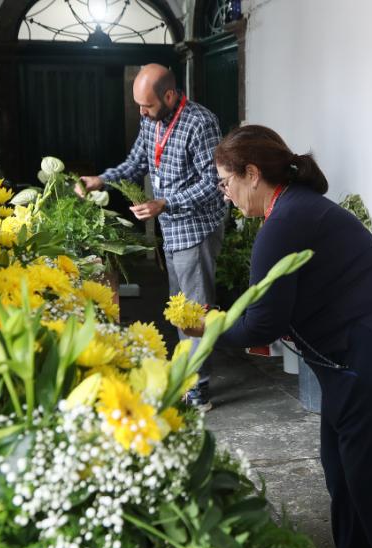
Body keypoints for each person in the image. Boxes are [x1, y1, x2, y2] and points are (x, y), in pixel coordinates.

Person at [183, 125, 372, 548]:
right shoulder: (291, 210)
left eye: (224, 182)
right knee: (344, 473)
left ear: (252, 174)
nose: (225, 193)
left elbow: (265, 320)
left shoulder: (286, 220)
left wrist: (208, 326)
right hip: (355, 359)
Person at [79, 64, 225, 409]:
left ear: (170, 96)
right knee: (179, 306)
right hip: (170, 228)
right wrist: (101, 179)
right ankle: (187, 376)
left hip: (196, 227)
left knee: (195, 309)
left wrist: (165, 202)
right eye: (139, 107)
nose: (142, 113)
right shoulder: (150, 122)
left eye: (147, 106)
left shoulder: (201, 123)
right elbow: (135, 163)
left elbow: (214, 184)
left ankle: (198, 387)